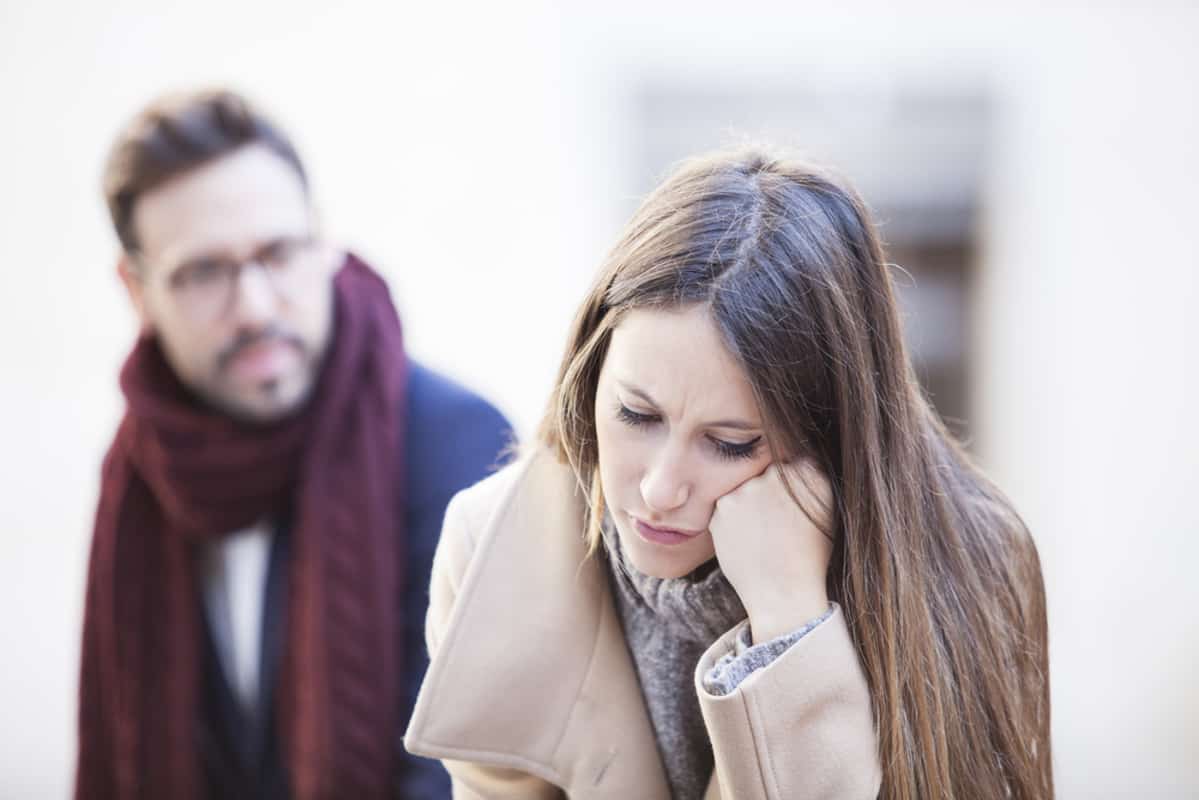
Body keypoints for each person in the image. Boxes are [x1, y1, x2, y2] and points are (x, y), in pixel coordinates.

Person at [403, 150, 1053, 799]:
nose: (659, 490)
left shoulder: (964, 563)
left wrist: (790, 627)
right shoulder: (495, 546)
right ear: (592, 367)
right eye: (636, 413)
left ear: (829, 438)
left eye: (729, 444)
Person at [75, 89, 511, 799]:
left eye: (278, 253)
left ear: (322, 241)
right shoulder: (141, 468)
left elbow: (465, 773)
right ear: (136, 288)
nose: (253, 305)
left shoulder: (456, 443)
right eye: (203, 272)